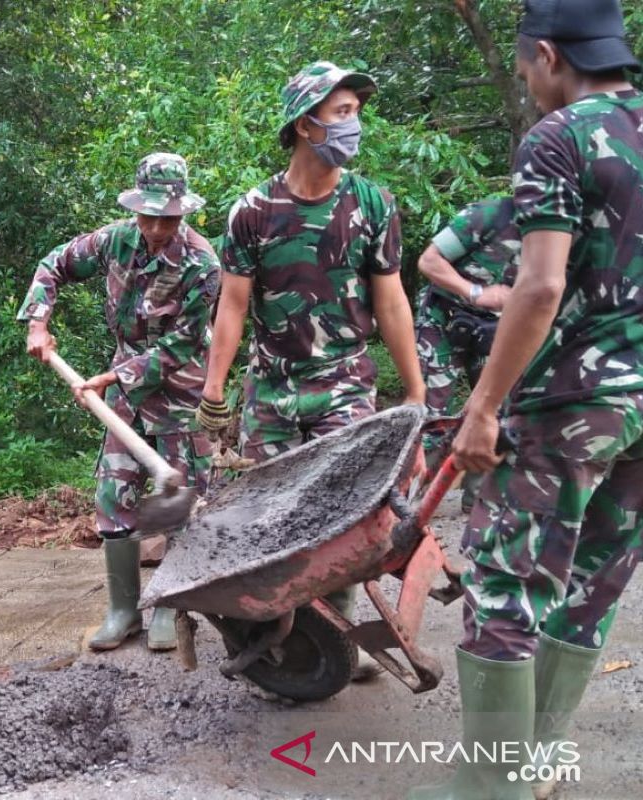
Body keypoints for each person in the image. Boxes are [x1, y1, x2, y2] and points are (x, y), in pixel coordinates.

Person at [413, 2, 642, 798]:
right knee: (596, 579)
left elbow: (539, 285)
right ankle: (536, 761)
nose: (526, 83)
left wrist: (481, 408)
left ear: (548, 54)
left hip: (571, 407)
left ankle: (488, 787)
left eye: (523, 69)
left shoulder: (561, 136)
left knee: (508, 584)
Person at [197, 61, 425, 678]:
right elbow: (233, 305)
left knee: (343, 515)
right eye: (343, 114)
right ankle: (273, 632)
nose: (355, 126)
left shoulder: (372, 203)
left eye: (356, 113)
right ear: (306, 124)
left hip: (345, 383)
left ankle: (336, 641)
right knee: (265, 519)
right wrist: (214, 389)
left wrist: (414, 389)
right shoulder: (253, 211)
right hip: (270, 388)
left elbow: (392, 300)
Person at [19, 152, 220, 653]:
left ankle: (171, 607)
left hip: (179, 389)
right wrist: (38, 322)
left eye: (167, 218)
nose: (155, 227)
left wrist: (113, 375)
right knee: (115, 495)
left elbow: (184, 344)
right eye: (148, 215)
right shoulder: (114, 240)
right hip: (126, 393)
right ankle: (124, 611)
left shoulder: (203, 263)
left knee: (178, 500)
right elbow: (54, 264)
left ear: (183, 213)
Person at [415, 196, 520, 510]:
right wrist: (476, 293)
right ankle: (409, 503)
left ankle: (478, 503)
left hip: (497, 332)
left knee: (497, 415)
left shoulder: (561, 228)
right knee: (429, 420)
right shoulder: (491, 213)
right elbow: (428, 261)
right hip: (444, 320)